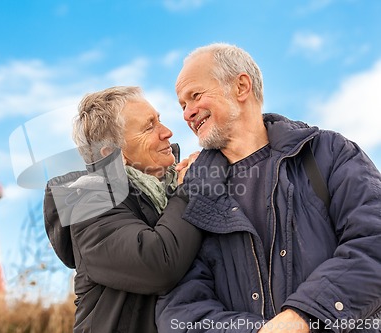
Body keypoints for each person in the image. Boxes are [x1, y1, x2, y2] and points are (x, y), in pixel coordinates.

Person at [155, 43, 381, 333]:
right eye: (183, 105)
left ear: (241, 86)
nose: (187, 114)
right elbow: (179, 311)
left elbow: (373, 241)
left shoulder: (328, 152)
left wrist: (303, 316)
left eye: (195, 96)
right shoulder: (193, 194)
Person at [43, 86, 202, 333]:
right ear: (112, 154)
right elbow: (158, 264)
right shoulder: (88, 203)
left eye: (159, 120)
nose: (167, 132)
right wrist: (189, 190)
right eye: (149, 127)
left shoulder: (172, 188)